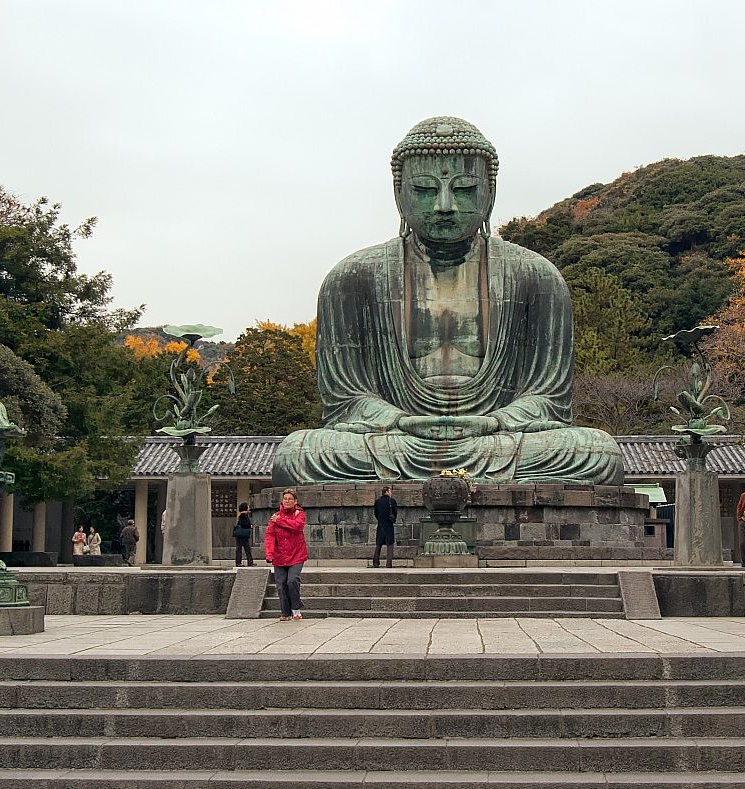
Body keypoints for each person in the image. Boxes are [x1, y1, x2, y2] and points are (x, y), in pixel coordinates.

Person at [271, 117, 623, 487]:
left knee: (597, 452)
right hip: (397, 439)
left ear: (489, 193)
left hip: (497, 438)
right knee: (298, 454)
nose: (444, 205)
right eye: (424, 189)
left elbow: (547, 399)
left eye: (465, 189)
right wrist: (399, 421)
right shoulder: (353, 278)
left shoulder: (536, 276)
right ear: (399, 194)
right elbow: (347, 400)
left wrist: (495, 421)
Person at [264, 489, 307, 621]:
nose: (287, 501)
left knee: (292, 580)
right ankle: (285, 612)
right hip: (280, 556)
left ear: (295, 501)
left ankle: (296, 609)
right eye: (285, 499)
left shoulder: (299, 514)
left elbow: (297, 526)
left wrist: (280, 521)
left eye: (290, 499)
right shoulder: (275, 516)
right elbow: (270, 536)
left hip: (296, 554)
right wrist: (269, 553)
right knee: (281, 584)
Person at [372, 486, 398, 568]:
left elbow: (376, 514)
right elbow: (395, 512)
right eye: (390, 491)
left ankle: (376, 563)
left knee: (378, 545)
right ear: (386, 492)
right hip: (389, 525)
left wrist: (380, 519)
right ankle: (389, 563)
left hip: (381, 525)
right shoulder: (392, 501)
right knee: (390, 545)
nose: (391, 493)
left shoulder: (377, 502)